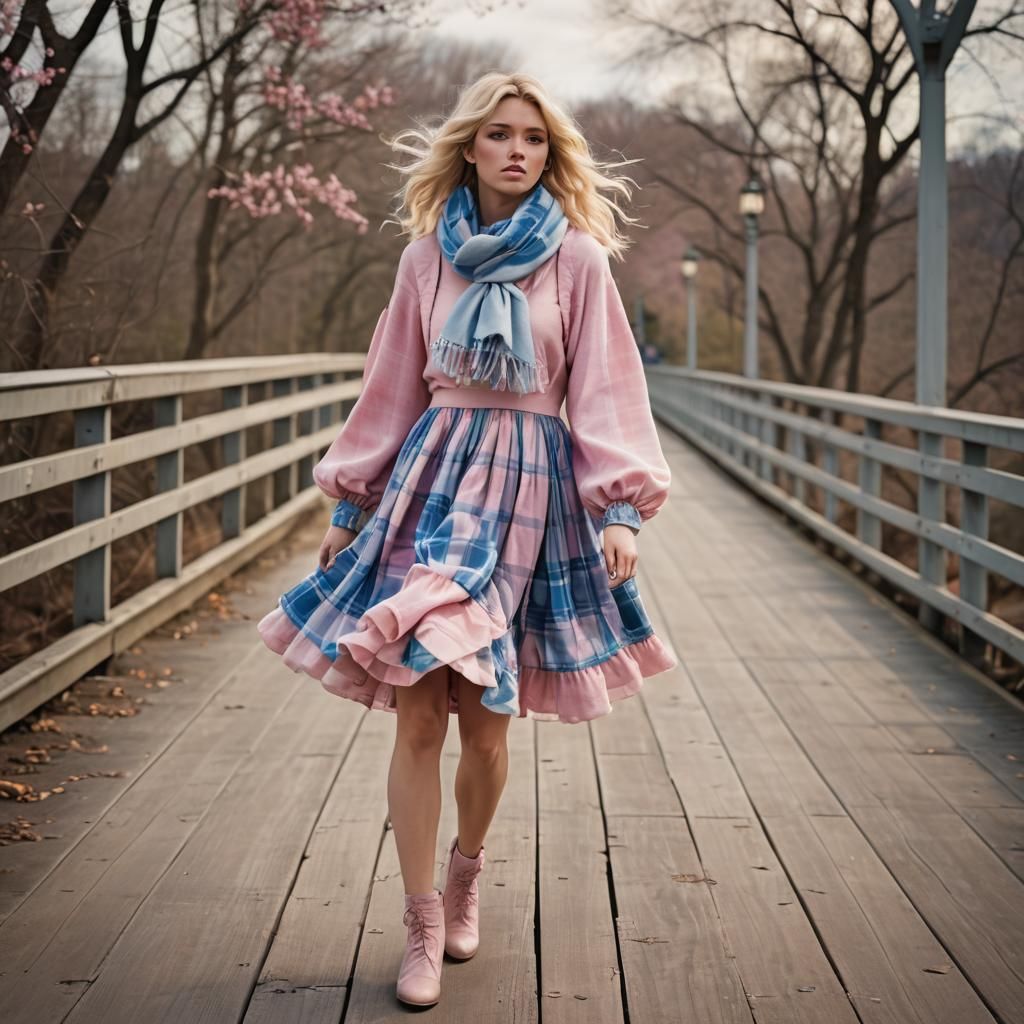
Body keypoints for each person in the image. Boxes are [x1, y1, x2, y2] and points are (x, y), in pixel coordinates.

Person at [257, 71, 677, 1008]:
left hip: (532, 497)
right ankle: (415, 923)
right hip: (432, 485)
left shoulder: (576, 260)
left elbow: (608, 390)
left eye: (533, 136)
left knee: (485, 731)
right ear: (470, 148)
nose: (517, 149)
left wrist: (619, 510)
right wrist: (351, 502)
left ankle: (465, 874)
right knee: (416, 708)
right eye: (499, 134)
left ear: (549, 152)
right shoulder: (424, 260)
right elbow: (391, 385)